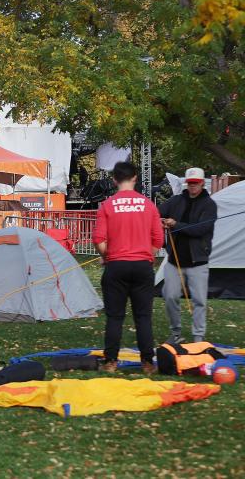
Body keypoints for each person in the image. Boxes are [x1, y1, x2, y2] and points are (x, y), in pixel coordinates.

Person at [92, 161, 164, 375]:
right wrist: (146, 257)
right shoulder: (148, 205)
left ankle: (111, 362)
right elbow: (158, 239)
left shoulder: (107, 205)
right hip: (142, 267)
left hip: (116, 266)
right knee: (143, 317)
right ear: (135, 178)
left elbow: (98, 239)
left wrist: (107, 256)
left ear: (114, 180)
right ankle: (147, 363)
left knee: (115, 317)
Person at [158, 167, 217, 344]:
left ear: (202, 183)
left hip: (198, 262)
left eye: (195, 183)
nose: (192, 186)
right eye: (190, 183)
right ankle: (176, 333)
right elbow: (157, 212)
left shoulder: (209, 205)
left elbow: (201, 229)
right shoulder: (176, 201)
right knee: (169, 296)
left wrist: (175, 224)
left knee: (199, 300)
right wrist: (159, 221)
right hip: (174, 261)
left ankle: (198, 336)